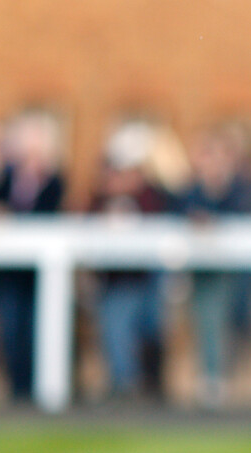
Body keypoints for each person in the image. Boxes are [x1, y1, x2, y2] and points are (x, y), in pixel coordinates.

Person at [91, 119, 177, 399]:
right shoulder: (100, 198)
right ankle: (124, 383)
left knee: (152, 332)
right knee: (116, 329)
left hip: (146, 276)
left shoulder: (151, 196)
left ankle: (153, 385)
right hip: (116, 279)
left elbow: (167, 209)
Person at [181, 122, 251, 406]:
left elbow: (245, 216)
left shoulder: (238, 188)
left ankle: (221, 374)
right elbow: (181, 209)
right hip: (202, 265)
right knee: (206, 317)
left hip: (233, 266)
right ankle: (211, 376)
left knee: (229, 319)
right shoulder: (191, 188)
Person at [0, 110, 65, 399]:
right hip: (10, 272)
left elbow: (51, 215)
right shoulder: (6, 179)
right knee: (11, 328)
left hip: (41, 274)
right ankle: (18, 386)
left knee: (39, 330)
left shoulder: (54, 181)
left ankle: (37, 388)